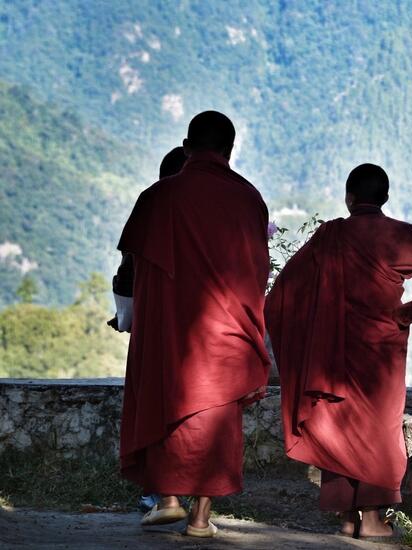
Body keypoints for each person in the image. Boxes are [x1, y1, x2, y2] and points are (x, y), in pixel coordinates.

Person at [265, 163, 412, 542]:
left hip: (332, 351)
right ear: (384, 198)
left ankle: (349, 517)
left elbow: (281, 295)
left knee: (338, 426)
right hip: (382, 349)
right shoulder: (401, 235)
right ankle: (370, 519)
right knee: (378, 430)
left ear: (349, 198)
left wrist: (301, 337)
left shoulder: (330, 236)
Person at [118, 111, 271, 538]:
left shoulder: (159, 197)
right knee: (216, 425)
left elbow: (133, 263)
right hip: (228, 334)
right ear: (230, 150)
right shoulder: (249, 198)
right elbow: (259, 269)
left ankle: (167, 499)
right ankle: (201, 520)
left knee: (168, 411)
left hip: (173, 332)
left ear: (187, 147)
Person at [109, 146, 188, 334]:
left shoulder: (151, 205)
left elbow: (128, 271)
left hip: (154, 321)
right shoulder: (221, 209)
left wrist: (125, 316)